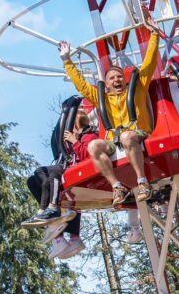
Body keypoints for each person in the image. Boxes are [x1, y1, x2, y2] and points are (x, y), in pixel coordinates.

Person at [59, 18, 160, 206]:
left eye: (119, 76)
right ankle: (117, 186)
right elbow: (81, 86)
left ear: (125, 78)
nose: (117, 80)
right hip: (115, 139)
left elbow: (149, 64)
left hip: (137, 133)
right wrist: (67, 60)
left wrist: (154, 35)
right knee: (93, 146)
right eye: (112, 78)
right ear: (107, 84)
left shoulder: (137, 88)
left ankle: (142, 182)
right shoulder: (102, 99)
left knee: (127, 137)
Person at [24, 111, 98, 259]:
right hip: (73, 170)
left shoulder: (90, 137)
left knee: (48, 174)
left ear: (75, 126)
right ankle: (61, 236)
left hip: (84, 172)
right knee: (33, 180)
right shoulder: (78, 138)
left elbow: (88, 156)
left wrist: (74, 141)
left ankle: (50, 209)